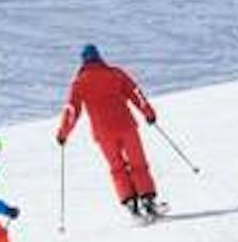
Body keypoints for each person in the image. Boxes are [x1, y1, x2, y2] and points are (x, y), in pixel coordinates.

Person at [57, 44, 164, 220]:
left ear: (83, 61)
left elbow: (72, 111)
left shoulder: (79, 83)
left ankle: (131, 203)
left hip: (103, 133)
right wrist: (148, 113)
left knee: (117, 167)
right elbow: (136, 94)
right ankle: (148, 201)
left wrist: (63, 133)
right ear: (99, 57)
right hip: (127, 126)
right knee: (138, 163)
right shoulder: (116, 74)